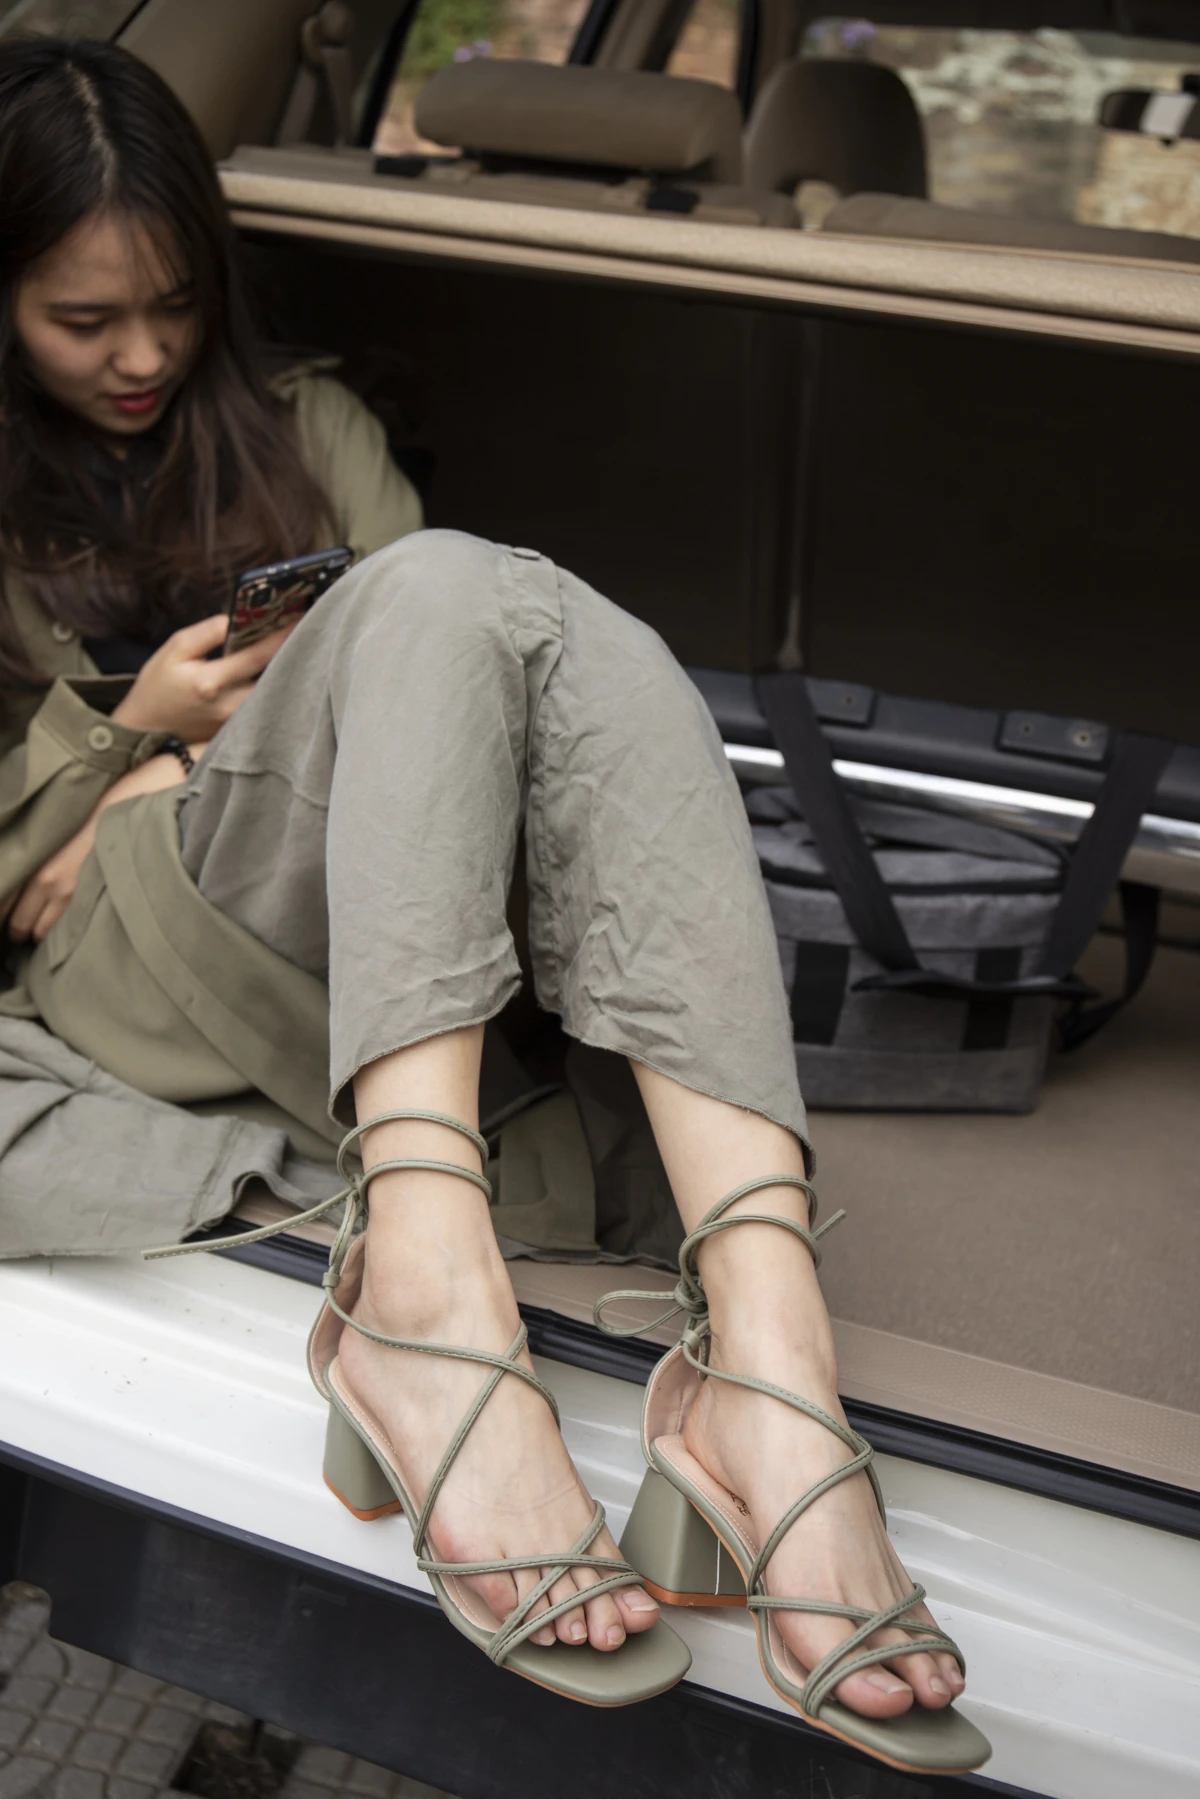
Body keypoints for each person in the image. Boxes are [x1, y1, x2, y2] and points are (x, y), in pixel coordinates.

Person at [0, 35, 988, 1770]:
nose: (146, 354)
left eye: (172, 305)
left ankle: (761, 1353)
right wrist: (122, 735)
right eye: (86, 322)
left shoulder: (305, 421)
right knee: (475, 592)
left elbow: (452, 668)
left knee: (534, 625)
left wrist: (259, 725)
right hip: (125, 949)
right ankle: (609, 1338)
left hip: (355, 896)